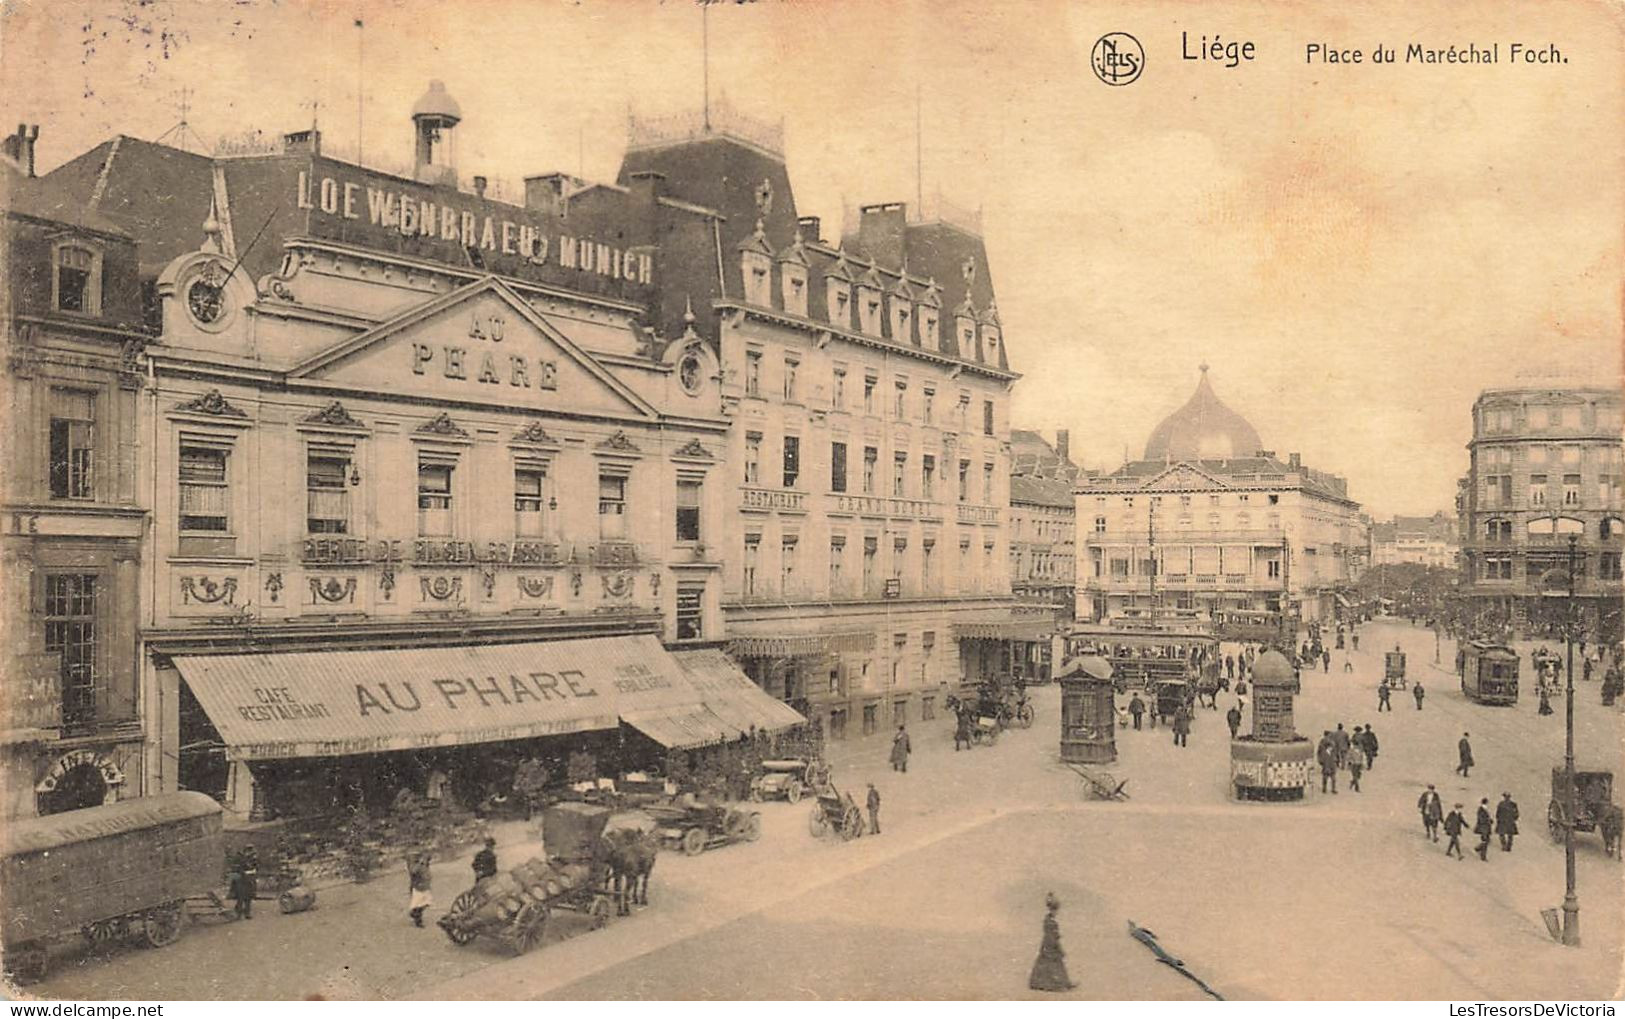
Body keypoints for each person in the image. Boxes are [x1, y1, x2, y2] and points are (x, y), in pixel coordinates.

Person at [1029, 892, 1076, 992]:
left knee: (1052, 963)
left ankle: (1063, 982)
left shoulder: (1048, 919)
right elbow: (1052, 936)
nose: (1056, 912)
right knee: (1053, 964)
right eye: (1056, 910)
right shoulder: (1050, 921)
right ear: (1053, 910)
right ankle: (1055, 984)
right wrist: (1058, 946)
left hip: (1047, 943)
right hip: (1050, 944)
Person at [229, 845, 258, 920]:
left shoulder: (251, 858)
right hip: (240, 879)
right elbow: (235, 870)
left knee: (249, 896)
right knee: (241, 896)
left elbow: (255, 866)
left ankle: (247, 912)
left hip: (249, 879)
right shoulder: (238, 858)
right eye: (249, 851)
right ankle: (239, 913)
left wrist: (253, 870)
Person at [407, 850, 434, 928]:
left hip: (425, 886)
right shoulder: (417, 865)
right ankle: (418, 920)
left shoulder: (425, 865)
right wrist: (420, 863)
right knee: (418, 904)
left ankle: (414, 913)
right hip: (418, 887)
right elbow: (413, 871)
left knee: (427, 902)